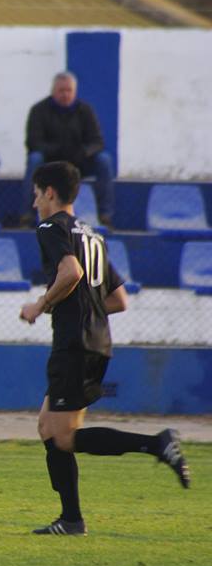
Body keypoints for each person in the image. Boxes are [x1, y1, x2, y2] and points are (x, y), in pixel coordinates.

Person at [20, 161, 190, 536]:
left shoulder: (52, 228)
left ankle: (157, 444)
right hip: (96, 340)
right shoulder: (92, 235)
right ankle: (70, 519)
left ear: (49, 193)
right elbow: (118, 299)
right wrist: (80, 305)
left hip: (74, 343)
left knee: (62, 436)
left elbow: (71, 274)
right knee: (48, 426)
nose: (34, 204)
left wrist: (40, 305)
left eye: (36, 195)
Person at [21, 71, 115, 228]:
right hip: (50, 162)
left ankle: (105, 215)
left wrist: (84, 152)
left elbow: (97, 142)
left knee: (104, 161)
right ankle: (27, 215)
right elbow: (33, 142)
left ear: (75, 92)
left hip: (79, 162)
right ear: (53, 91)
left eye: (69, 90)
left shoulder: (85, 110)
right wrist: (57, 149)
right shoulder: (38, 110)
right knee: (34, 159)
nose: (65, 94)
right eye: (61, 90)